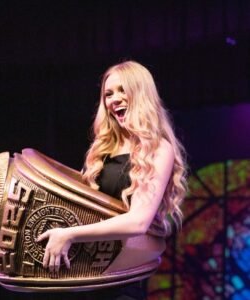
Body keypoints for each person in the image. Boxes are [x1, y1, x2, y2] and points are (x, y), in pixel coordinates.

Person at [37, 60, 187, 300]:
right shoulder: (103, 150)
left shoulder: (158, 149)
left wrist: (70, 234)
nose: (113, 99)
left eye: (122, 90)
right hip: (82, 276)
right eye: (108, 94)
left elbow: (138, 222)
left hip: (121, 280)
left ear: (140, 94)